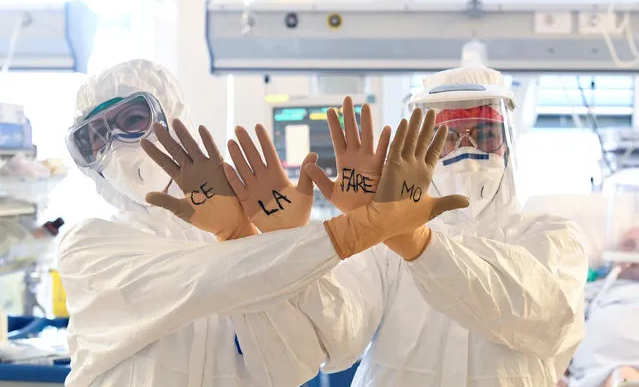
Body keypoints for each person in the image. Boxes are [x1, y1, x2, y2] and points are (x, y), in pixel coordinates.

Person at [169, 66, 586, 387]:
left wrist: (420, 243)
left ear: (509, 141)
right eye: (446, 139)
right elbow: (338, 338)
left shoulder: (551, 236)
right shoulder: (383, 243)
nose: (465, 151)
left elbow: (539, 317)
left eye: (483, 135)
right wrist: (290, 246)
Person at [58, 59, 466, 387]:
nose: (112, 145)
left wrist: (265, 237)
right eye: (92, 138)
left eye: (132, 121)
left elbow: (292, 368)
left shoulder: (233, 240)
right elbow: (208, 280)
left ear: (174, 118)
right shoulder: (89, 244)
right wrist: (356, 229)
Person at [561, 227, 639, 387]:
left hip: (631, 367)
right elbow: (561, 326)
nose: (637, 250)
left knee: (623, 374)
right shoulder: (595, 289)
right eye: (629, 245)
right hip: (591, 373)